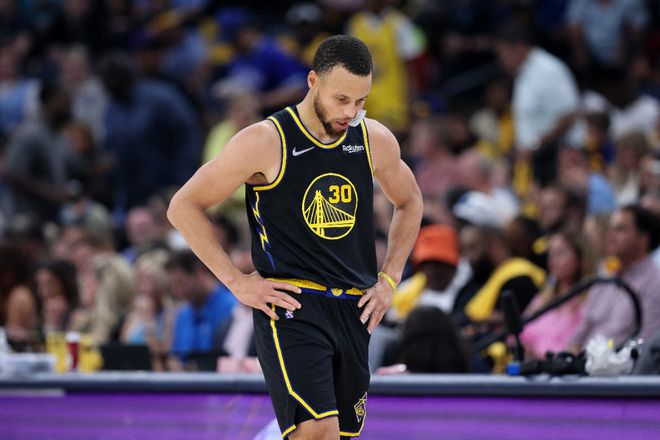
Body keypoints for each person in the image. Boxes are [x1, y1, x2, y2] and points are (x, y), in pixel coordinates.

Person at [168, 35, 423, 439]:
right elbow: (183, 206)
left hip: (353, 309)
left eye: (360, 101)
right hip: (292, 306)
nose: (351, 112)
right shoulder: (264, 141)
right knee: (317, 430)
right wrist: (236, 282)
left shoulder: (373, 138)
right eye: (342, 99)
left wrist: (390, 278)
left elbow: (409, 201)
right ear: (312, 81)